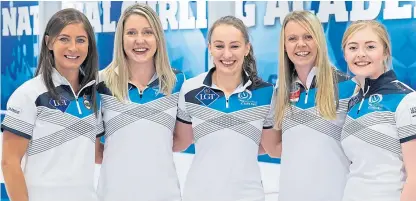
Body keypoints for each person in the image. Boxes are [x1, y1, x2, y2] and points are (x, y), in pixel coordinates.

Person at [173, 15, 278, 201]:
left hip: (248, 195)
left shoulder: (266, 93)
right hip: (199, 194)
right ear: (210, 48)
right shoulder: (190, 89)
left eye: (235, 46)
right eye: (219, 46)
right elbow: (182, 140)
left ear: (247, 48)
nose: (227, 54)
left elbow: (268, 146)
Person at [1, 8, 102, 201]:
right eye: (64, 39)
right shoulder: (29, 94)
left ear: (89, 45)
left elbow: (96, 153)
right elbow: (9, 162)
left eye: (81, 40)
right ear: (49, 42)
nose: (73, 48)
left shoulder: (95, 94)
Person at [96, 4, 184, 201]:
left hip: (164, 194)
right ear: (121, 39)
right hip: (114, 195)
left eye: (147, 32)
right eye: (131, 33)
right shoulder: (101, 83)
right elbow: (94, 150)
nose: (139, 40)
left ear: (158, 38)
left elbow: (181, 139)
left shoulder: (177, 83)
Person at [274, 11, 356, 201]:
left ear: (319, 40)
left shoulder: (349, 88)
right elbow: (274, 147)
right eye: (292, 38)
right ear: (285, 46)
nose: (301, 44)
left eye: (308, 36)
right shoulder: (280, 93)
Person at [341, 20, 416, 201]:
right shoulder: (353, 102)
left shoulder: (406, 99)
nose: (361, 54)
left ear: (385, 52)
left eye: (370, 47)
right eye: (353, 48)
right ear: (344, 55)